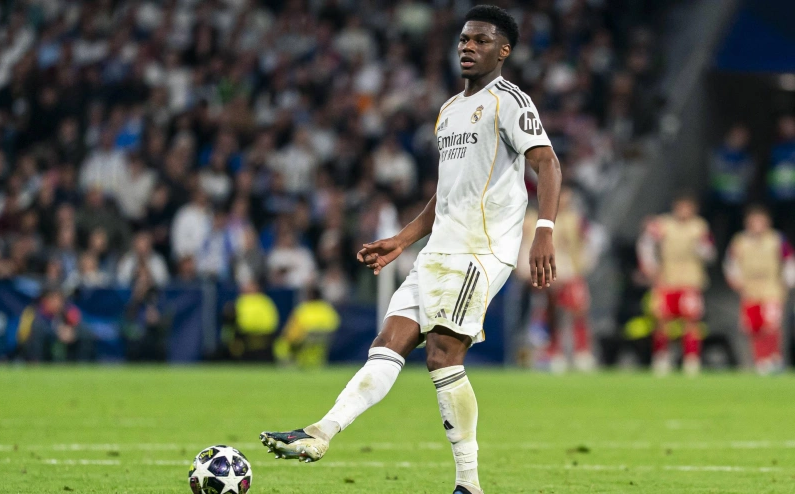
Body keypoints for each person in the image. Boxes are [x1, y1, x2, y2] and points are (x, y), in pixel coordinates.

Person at [260, 7, 562, 494]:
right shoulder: (447, 112)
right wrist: (402, 240)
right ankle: (320, 432)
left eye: (481, 41)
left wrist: (543, 229)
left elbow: (547, 164)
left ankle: (469, 484)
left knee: (443, 355)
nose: (467, 47)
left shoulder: (511, 101)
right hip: (438, 249)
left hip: (478, 251)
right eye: (464, 39)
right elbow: (445, 196)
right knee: (387, 344)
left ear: (503, 51)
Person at [517, 187, 600, 372]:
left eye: (566, 198)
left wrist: (582, 268)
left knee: (578, 312)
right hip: (542, 276)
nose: (563, 201)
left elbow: (592, 244)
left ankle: (582, 353)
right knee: (546, 315)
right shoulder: (532, 219)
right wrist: (526, 272)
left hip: (570, 274)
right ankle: (551, 353)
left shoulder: (576, 220)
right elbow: (524, 246)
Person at [637, 193, 715, 376]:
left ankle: (691, 359)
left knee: (691, 322)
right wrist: (650, 267)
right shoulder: (663, 224)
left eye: (688, 208)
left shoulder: (699, 227)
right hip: (667, 280)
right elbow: (645, 244)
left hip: (690, 281)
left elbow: (710, 253)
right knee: (662, 321)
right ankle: (662, 358)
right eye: (681, 207)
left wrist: (701, 248)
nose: (684, 211)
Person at [723, 205, 795, 375]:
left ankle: (774, 358)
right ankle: (760, 360)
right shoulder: (740, 241)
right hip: (750, 289)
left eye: (760, 221)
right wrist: (735, 279)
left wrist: (789, 280)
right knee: (755, 327)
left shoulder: (777, 239)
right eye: (753, 221)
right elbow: (730, 262)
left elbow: (789, 260)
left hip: (771, 287)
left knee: (772, 325)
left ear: (767, 222)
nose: (757, 225)